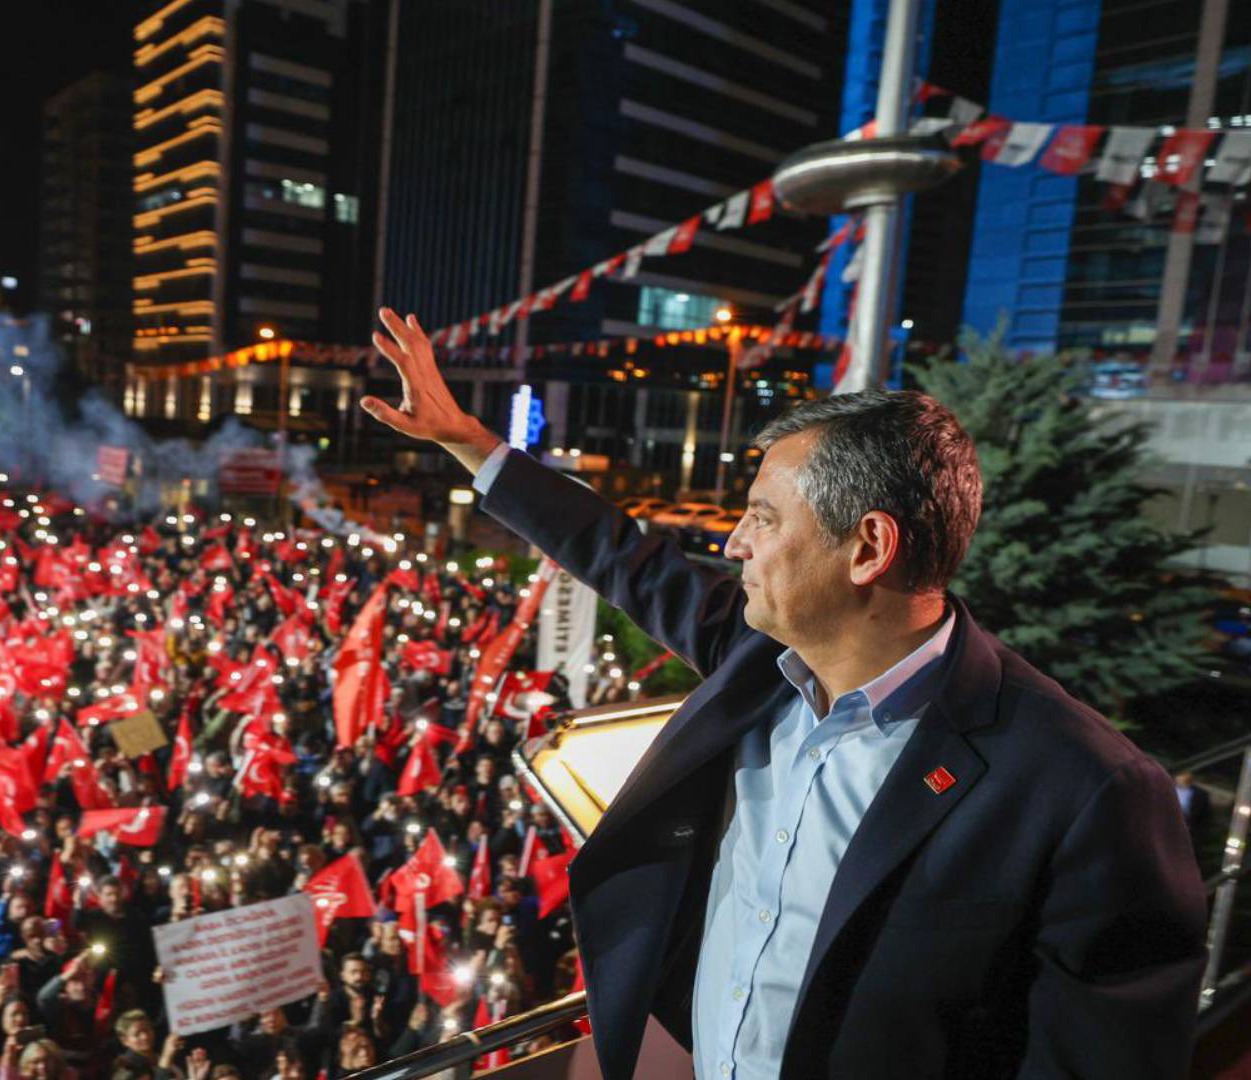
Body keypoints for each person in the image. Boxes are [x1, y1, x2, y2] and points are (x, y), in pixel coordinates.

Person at [360, 306, 1209, 1077]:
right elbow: (622, 556)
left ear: (868, 548)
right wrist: (471, 443)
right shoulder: (755, 662)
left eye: (763, 518)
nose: (732, 544)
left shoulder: (1084, 788)